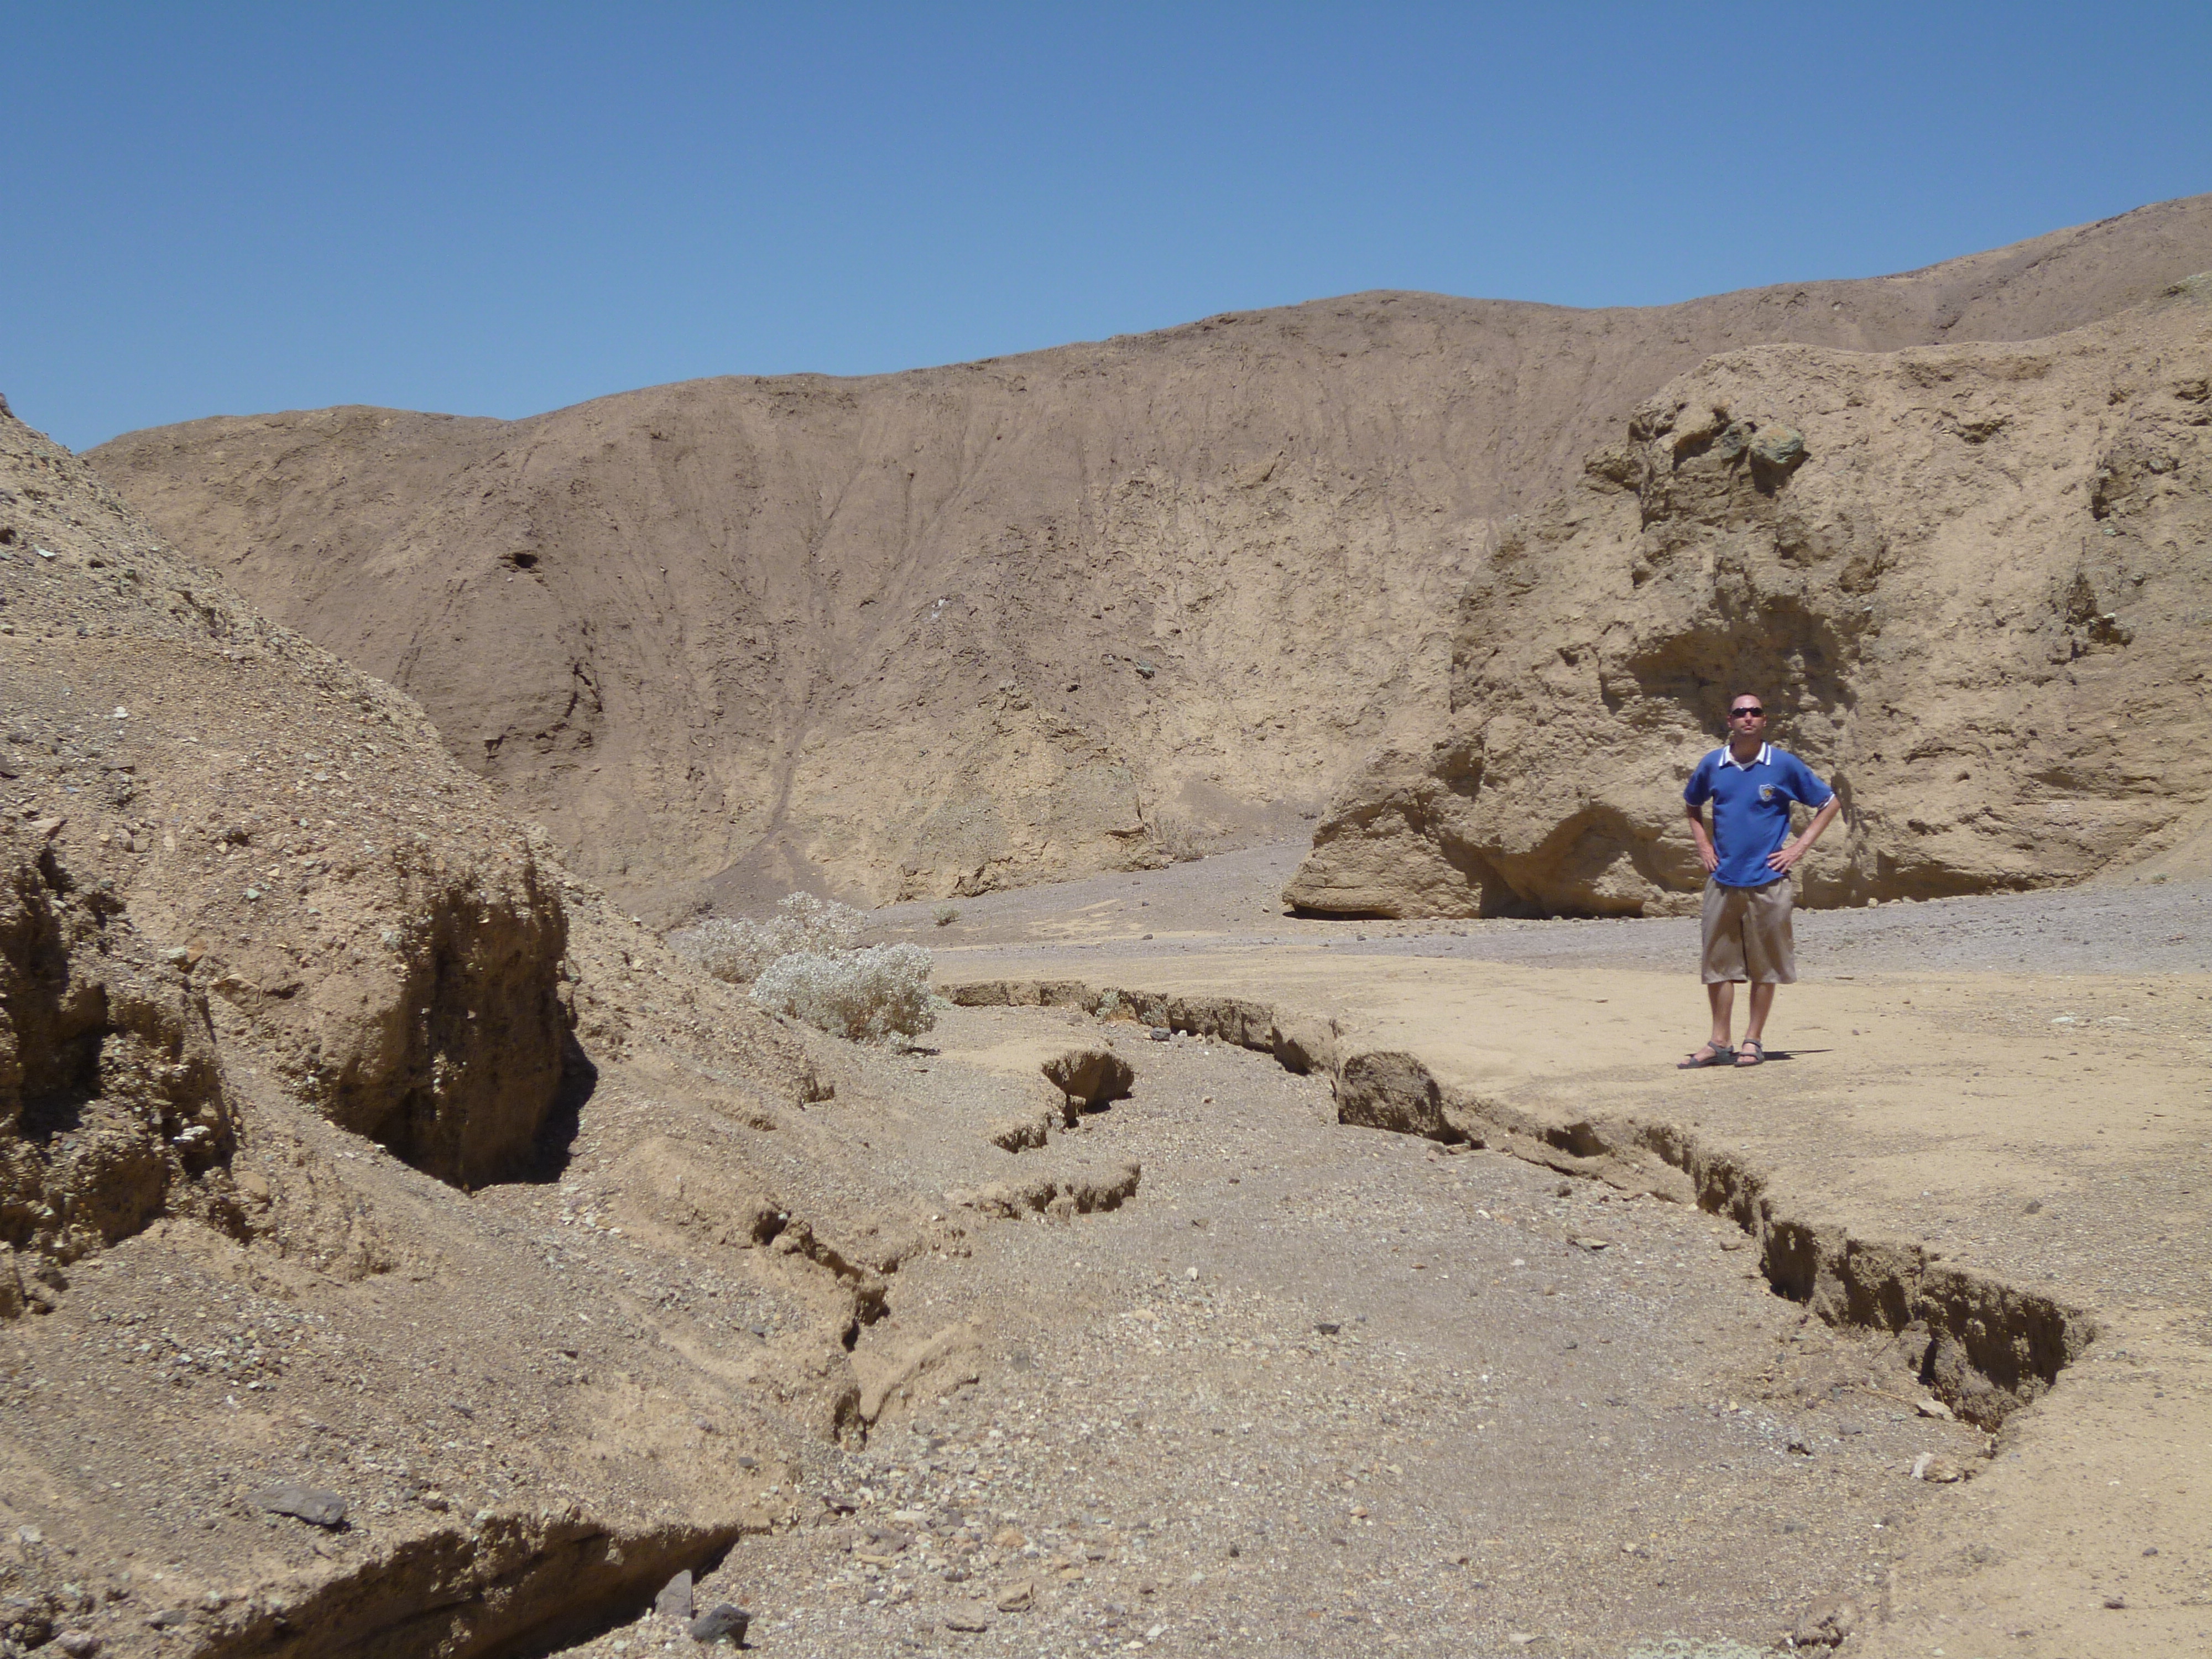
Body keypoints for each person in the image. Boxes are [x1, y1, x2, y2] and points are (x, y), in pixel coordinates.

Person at [1677, 694, 1840, 1068]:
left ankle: (1753, 1040)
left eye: (1755, 712)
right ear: (1729, 721)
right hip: (1723, 880)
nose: (1748, 717)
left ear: (1765, 720)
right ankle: (1720, 1042)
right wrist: (1703, 845)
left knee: (1766, 965)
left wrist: (1797, 849)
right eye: (1740, 712)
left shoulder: (1782, 764)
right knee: (1718, 965)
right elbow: (1692, 804)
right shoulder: (1713, 764)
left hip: (1769, 880)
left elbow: (1829, 802)